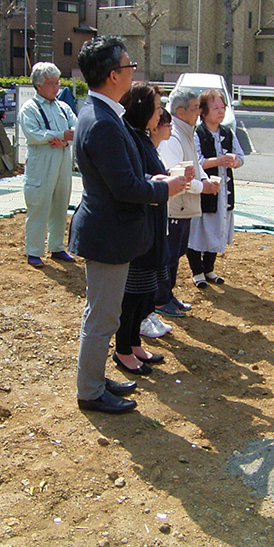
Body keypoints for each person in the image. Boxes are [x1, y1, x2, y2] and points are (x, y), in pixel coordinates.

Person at [69, 36, 186, 414]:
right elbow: (124, 187)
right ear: (113, 75)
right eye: (129, 65)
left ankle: (95, 380)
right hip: (108, 233)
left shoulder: (101, 114)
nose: (133, 71)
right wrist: (165, 186)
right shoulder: (102, 121)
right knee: (103, 317)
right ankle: (89, 390)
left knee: (102, 313)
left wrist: (154, 183)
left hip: (108, 229)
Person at [114, 85, 182, 373]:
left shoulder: (141, 137)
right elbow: (130, 178)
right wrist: (157, 181)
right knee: (131, 294)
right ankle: (123, 348)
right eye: (156, 108)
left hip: (152, 224)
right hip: (138, 227)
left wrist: (167, 178)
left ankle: (134, 344)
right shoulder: (128, 136)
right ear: (142, 109)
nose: (160, 114)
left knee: (144, 291)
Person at [154, 87, 220, 317]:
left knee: (177, 252)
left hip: (184, 205)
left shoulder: (186, 132)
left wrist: (203, 178)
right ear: (181, 112)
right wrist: (203, 186)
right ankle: (160, 300)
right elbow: (177, 175)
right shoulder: (173, 137)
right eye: (195, 109)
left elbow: (194, 164)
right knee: (168, 255)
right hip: (175, 206)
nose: (199, 113)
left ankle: (168, 295)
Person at [19, 62, 78, 267]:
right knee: (39, 204)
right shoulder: (30, 108)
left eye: (57, 82)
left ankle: (57, 246)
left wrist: (66, 139)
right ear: (38, 85)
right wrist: (60, 135)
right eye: (51, 83)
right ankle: (34, 250)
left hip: (62, 158)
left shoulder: (63, 107)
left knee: (61, 203)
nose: (55, 87)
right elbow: (33, 134)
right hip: (41, 161)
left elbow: (76, 126)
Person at [187, 89, 245, 288]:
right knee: (198, 230)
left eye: (223, 108)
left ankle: (209, 268)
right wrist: (219, 160)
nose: (220, 112)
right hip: (203, 191)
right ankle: (197, 271)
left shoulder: (227, 132)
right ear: (203, 111)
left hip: (223, 191)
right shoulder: (198, 133)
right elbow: (197, 162)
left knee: (218, 227)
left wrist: (234, 161)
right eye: (215, 108)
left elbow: (241, 157)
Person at [139, 108, 175, 339]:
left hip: (158, 215)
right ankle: (142, 317)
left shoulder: (151, 146)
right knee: (142, 272)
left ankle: (149, 311)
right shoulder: (140, 144)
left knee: (157, 265)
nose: (168, 126)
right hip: (146, 218)